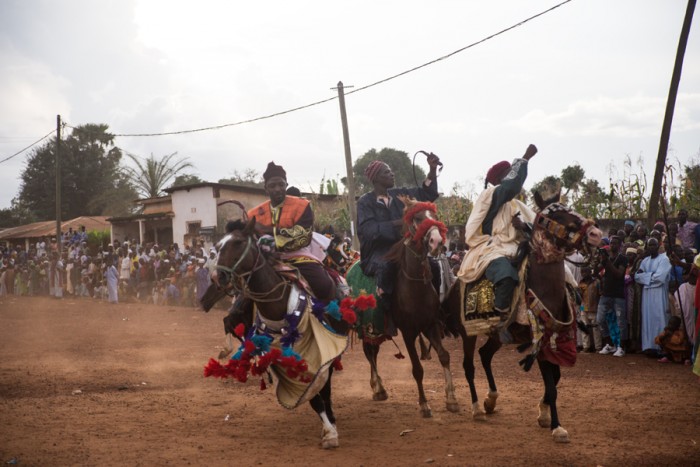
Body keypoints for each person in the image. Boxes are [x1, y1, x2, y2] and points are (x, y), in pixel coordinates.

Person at [457, 144, 538, 318]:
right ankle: (500, 317)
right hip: (492, 249)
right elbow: (510, 187)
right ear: (500, 179)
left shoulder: (517, 205)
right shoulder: (490, 195)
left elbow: (537, 227)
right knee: (506, 276)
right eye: (508, 174)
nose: (512, 177)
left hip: (517, 247)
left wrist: (524, 226)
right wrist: (525, 158)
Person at [356, 152, 441, 308]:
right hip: (378, 251)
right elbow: (369, 231)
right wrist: (398, 223)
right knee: (386, 266)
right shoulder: (365, 202)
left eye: (391, 171)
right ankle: (387, 311)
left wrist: (432, 169)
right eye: (387, 172)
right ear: (376, 179)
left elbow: (426, 194)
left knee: (433, 266)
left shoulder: (399, 195)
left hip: (404, 247)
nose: (392, 174)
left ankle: (437, 307)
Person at [247, 161, 335, 301]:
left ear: (286, 185)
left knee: (323, 285)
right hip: (265, 260)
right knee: (244, 297)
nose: (277, 189)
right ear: (266, 189)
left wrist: (266, 230)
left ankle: (327, 317)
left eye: (281, 184)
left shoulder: (302, 205)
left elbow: (303, 236)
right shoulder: (253, 214)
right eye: (272, 185)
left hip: (298, 256)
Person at [634, 237, 673, 354]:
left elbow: (660, 278)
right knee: (648, 319)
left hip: (659, 293)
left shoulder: (664, 259)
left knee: (659, 318)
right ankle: (649, 346)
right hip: (647, 295)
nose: (651, 247)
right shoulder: (645, 260)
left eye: (653, 245)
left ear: (658, 246)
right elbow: (636, 277)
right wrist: (650, 276)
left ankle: (661, 347)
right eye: (649, 245)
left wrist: (645, 276)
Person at [596, 236, 628, 357]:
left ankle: (621, 347)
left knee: (621, 323)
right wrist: (598, 261)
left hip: (618, 295)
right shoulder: (606, 258)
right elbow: (595, 272)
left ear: (619, 245)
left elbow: (619, 274)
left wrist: (607, 262)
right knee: (600, 319)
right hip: (606, 294)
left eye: (615, 243)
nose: (612, 245)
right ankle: (609, 344)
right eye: (611, 243)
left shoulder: (623, 259)